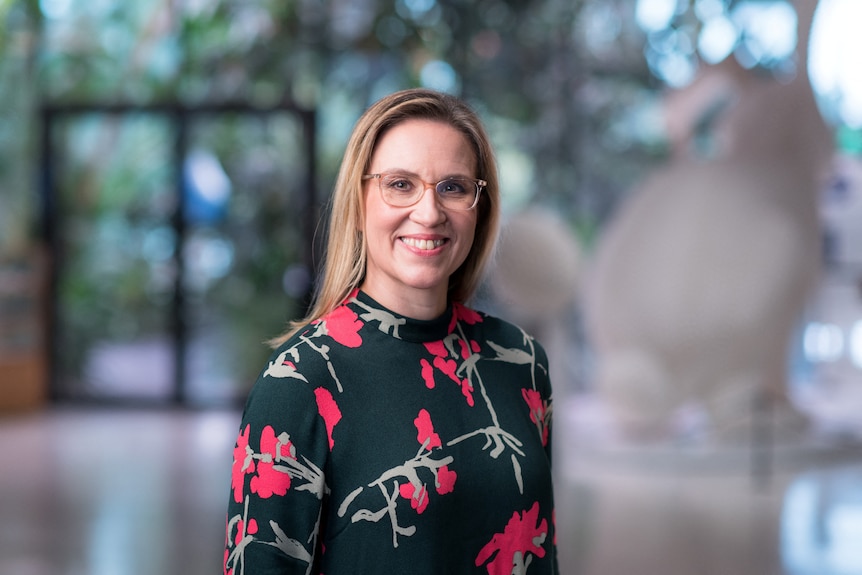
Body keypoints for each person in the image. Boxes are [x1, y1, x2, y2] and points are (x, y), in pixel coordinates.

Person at [224, 88, 557, 575]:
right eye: (400, 184)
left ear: (480, 206)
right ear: (359, 201)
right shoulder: (300, 381)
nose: (429, 213)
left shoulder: (521, 361)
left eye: (453, 187)